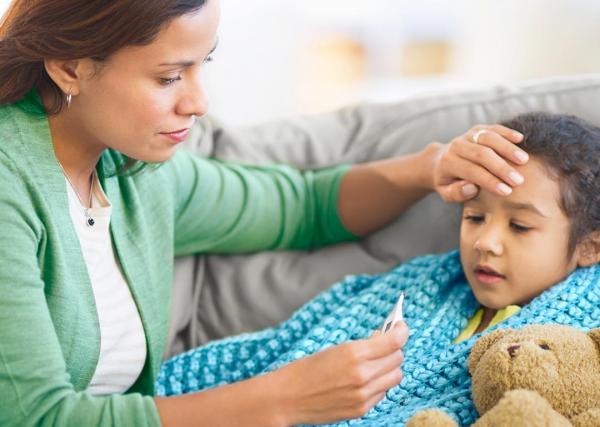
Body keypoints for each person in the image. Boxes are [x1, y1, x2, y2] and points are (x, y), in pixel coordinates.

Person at [0, 1, 529, 426]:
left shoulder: (129, 169)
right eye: (168, 77)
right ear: (70, 67)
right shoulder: (11, 186)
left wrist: (429, 166)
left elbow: (302, 206)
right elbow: (38, 417)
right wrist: (284, 399)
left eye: (201, 64)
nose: (199, 102)